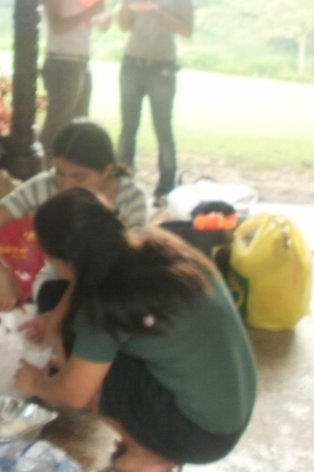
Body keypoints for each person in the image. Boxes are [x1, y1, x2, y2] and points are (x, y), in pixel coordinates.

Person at [14, 189, 256, 471]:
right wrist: (56, 318)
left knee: (87, 369)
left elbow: (73, 394)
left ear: (64, 261)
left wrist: (36, 383)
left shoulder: (105, 303)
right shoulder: (155, 242)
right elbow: (82, 276)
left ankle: (147, 457)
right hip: (232, 408)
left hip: (201, 435)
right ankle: (151, 438)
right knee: (87, 347)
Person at [0, 119, 147, 317]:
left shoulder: (131, 198)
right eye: (60, 173)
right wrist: (2, 271)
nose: (66, 186)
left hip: (111, 285)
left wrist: (58, 317)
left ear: (107, 171)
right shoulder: (46, 186)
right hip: (57, 285)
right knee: (53, 298)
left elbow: (129, 266)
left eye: (79, 177)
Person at [116, 0, 194, 204]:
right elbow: (124, 24)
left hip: (162, 65)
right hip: (133, 61)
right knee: (128, 127)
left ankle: (166, 188)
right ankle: (122, 184)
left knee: (163, 127)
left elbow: (187, 30)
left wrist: (160, 14)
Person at [39, 0, 109, 158]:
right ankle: (43, 171)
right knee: (57, 128)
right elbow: (58, 26)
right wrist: (90, 12)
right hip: (62, 63)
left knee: (78, 129)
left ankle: (68, 173)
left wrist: (101, 18)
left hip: (80, 62)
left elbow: (84, 20)